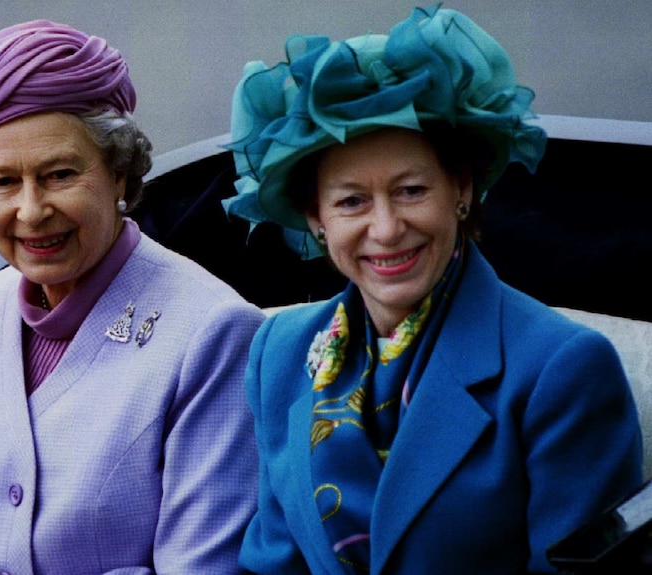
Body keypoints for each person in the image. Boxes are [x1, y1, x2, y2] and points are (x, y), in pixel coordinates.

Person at [222, 5, 644, 574]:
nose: (387, 228)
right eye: (351, 201)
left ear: (461, 190)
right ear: (316, 218)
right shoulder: (281, 351)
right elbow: (269, 563)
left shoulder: (559, 368)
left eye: (412, 190)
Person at [0, 20, 264, 574]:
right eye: (1, 182)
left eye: (60, 173)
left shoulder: (211, 330)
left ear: (118, 174)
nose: (32, 210)